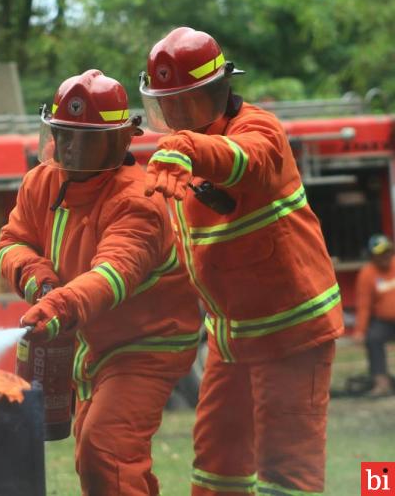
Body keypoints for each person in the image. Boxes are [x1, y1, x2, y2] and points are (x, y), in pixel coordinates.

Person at [140, 27, 343, 495]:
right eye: (167, 106)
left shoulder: (258, 130)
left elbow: (244, 161)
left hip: (292, 334)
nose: (176, 117)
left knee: (287, 473)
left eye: (186, 104)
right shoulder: (179, 160)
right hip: (232, 341)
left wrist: (186, 149)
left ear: (220, 90)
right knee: (216, 466)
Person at [0, 69, 201, 496]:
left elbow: (113, 275)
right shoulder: (41, 181)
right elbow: (11, 241)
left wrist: (59, 305)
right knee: (98, 454)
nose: (69, 147)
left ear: (120, 141)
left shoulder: (138, 200)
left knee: (105, 449)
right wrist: (38, 279)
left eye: (84, 138)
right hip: (89, 340)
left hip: (147, 346)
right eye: (63, 134)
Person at [353, 234, 395, 397]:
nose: (385, 256)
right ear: (372, 256)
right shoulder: (367, 274)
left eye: (387, 252)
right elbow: (364, 305)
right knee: (373, 338)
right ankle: (381, 382)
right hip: (383, 322)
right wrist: (360, 331)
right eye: (380, 253)